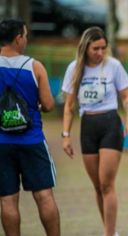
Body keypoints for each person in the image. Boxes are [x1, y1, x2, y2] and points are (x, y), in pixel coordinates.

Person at [61, 26, 128, 236]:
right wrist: (66, 136)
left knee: (106, 184)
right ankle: (109, 229)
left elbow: (127, 97)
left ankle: (109, 234)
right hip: (88, 126)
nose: (100, 53)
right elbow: (69, 106)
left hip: (110, 123)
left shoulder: (114, 66)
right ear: (85, 47)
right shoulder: (74, 68)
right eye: (96, 48)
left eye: (104, 48)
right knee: (97, 186)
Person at [0, 19, 60, 236]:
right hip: (31, 140)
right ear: (18, 38)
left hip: (1, 143)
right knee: (44, 195)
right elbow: (49, 105)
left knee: (7, 198)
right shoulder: (34, 66)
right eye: (24, 35)